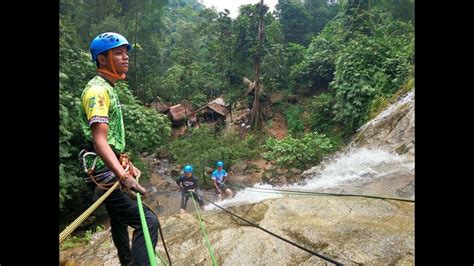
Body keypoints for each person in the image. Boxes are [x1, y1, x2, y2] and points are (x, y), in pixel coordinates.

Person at [79, 32, 158, 266]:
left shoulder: (108, 87)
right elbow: (99, 140)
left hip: (108, 167)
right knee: (149, 221)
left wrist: (126, 165)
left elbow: (109, 142)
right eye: (118, 53)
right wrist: (123, 176)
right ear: (102, 59)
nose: (125, 57)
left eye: (126, 53)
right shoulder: (97, 91)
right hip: (105, 172)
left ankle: (127, 261)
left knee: (119, 219)